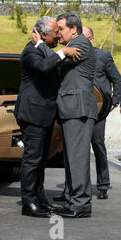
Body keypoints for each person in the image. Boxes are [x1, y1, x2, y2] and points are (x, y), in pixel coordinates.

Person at [14, 16, 81, 218]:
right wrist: (63, 51)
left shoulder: (43, 50)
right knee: (32, 160)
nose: (59, 35)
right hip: (33, 114)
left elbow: (54, 66)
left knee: (40, 160)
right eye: (55, 33)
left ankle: (39, 198)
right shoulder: (30, 52)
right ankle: (29, 203)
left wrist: (58, 52)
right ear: (43, 35)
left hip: (43, 115)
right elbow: (44, 67)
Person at [34, 12, 97, 218]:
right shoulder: (71, 45)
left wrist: (40, 44)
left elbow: (55, 61)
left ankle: (80, 205)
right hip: (71, 109)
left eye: (61, 29)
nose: (58, 34)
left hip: (78, 109)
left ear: (74, 29)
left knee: (77, 159)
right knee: (71, 159)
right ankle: (72, 201)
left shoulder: (81, 44)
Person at [83, 26, 121, 199]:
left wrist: (114, 102)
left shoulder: (103, 56)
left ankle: (103, 185)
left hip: (99, 112)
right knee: (77, 150)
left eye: (84, 38)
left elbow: (117, 80)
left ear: (91, 39)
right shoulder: (75, 55)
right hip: (79, 110)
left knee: (98, 146)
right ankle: (73, 188)